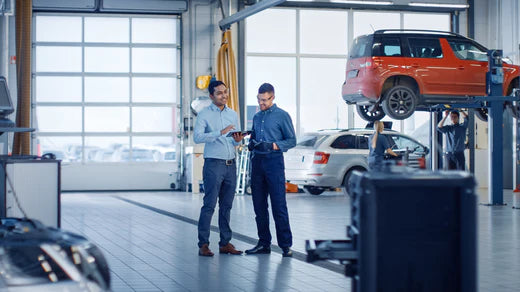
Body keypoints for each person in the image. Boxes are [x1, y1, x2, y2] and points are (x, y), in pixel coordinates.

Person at [245, 83, 296, 258]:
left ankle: (285, 245)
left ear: (272, 97)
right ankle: (263, 243)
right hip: (257, 163)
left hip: (274, 163)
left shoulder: (282, 116)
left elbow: (291, 140)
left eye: (265, 100)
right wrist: (251, 142)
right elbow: (255, 136)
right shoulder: (257, 116)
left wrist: (274, 145)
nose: (261, 103)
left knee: (278, 205)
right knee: (259, 206)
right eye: (259, 100)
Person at [193, 80, 244, 257]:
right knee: (209, 205)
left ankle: (225, 243)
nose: (224, 95)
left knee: (227, 206)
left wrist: (238, 140)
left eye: (225, 91)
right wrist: (219, 133)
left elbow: (234, 139)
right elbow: (198, 137)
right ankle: (204, 244)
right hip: (214, 164)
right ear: (212, 96)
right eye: (220, 93)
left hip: (231, 164)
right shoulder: (204, 115)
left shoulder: (233, 114)